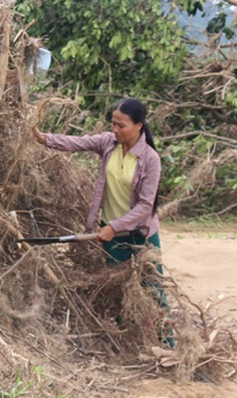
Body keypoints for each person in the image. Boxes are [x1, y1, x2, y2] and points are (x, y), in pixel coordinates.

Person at [33, 98, 173, 345]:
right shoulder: (108, 143)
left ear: (139, 125)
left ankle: (167, 344)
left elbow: (144, 206)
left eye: (122, 125)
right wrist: (44, 138)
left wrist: (114, 226)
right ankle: (125, 340)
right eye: (113, 124)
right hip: (111, 234)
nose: (116, 130)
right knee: (116, 287)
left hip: (141, 233)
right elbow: (78, 143)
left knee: (154, 290)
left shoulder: (150, 159)